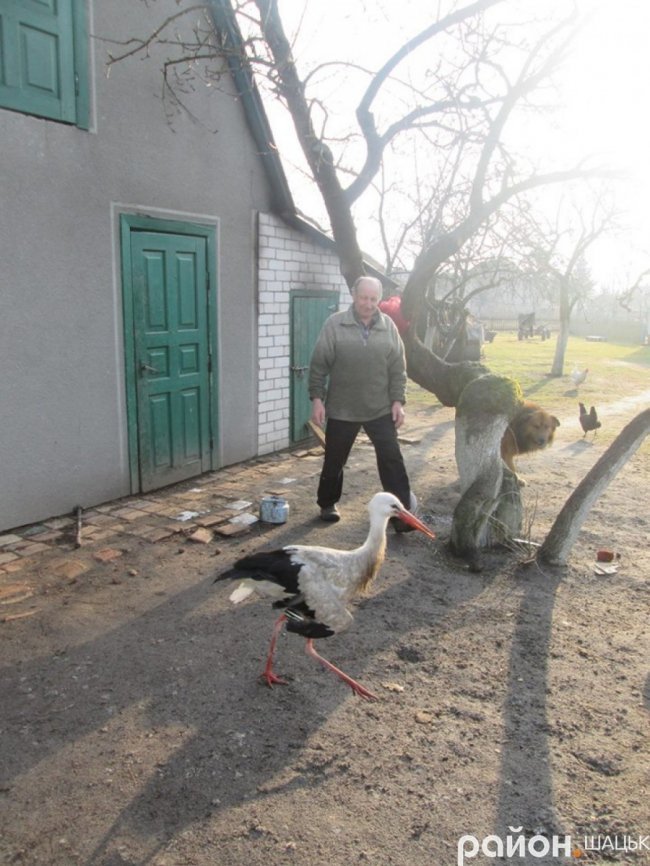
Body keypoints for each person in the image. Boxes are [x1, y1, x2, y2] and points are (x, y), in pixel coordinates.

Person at [308, 275, 416, 528]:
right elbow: (319, 364)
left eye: (373, 299)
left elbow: (398, 368)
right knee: (334, 459)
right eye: (363, 298)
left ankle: (402, 516)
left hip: (379, 408)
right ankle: (327, 504)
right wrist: (317, 399)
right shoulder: (335, 325)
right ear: (354, 296)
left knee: (392, 459)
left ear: (379, 299)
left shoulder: (388, 326)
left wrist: (398, 401)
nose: (368, 304)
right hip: (343, 408)